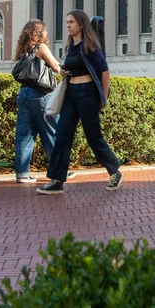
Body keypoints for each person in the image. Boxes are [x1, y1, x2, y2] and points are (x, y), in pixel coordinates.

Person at [37, 10, 123, 194]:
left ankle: (114, 170)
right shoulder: (71, 47)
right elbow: (71, 67)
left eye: (71, 22)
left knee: (93, 136)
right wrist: (62, 71)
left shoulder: (89, 46)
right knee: (62, 134)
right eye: (67, 22)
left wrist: (103, 96)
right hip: (71, 94)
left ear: (81, 25)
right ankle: (57, 180)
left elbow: (105, 70)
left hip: (87, 94)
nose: (68, 25)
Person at [13, 19, 61, 183]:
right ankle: (58, 170)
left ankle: (22, 173)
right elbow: (55, 66)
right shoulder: (41, 47)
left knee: (24, 134)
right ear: (39, 33)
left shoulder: (23, 48)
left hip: (24, 93)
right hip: (41, 94)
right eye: (45, 31)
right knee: (51, 132)